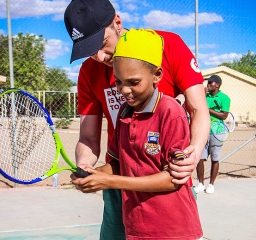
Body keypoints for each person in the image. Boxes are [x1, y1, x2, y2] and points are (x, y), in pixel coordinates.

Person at [64, 0, 210, 239]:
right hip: (120, 176)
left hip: (164, 180)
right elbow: (89, 137)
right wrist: (87, 167)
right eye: (89, 50)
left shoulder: (167, 46)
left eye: (101, 44)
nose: (99, 56)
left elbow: (198, 109)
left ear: (118, 23)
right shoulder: (90, 74)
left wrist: (192, 153)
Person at [194, 75, 231, 194]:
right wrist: (203, 96)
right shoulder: (204, 96)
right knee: (200, 158)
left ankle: (211, 184)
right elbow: (198, 107)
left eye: (210, 83)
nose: (208, 84)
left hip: (217, 132)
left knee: (215, 159)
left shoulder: (224, 98)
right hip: (203, 130)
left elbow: (224, 115)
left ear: (217, 85)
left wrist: (208, 109)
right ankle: (200, 183)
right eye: (207, 82)